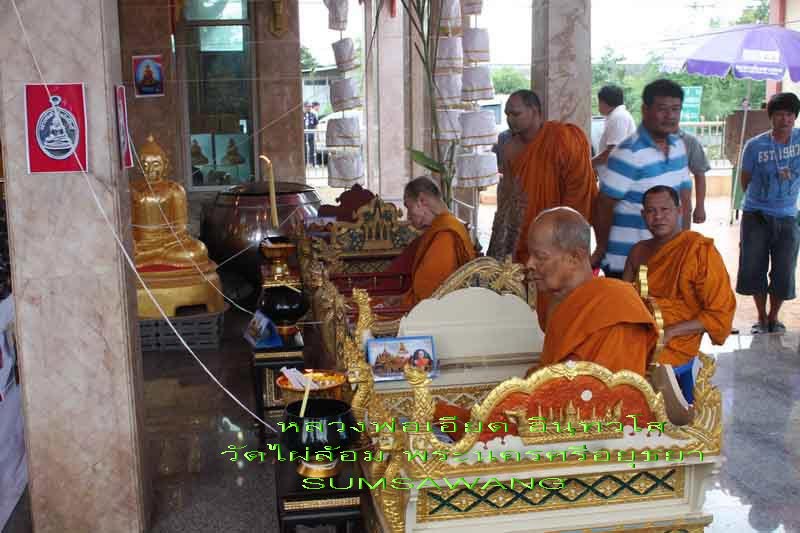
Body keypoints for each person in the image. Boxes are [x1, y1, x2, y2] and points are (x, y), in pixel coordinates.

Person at [622, 186, 735, 414]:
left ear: (679, 210)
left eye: (665, 209)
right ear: (643, 215)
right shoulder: (638, 251)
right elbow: (625, 300)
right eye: (651, 211)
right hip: (642, 330)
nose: (658, 217)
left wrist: (672, 331)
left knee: (646, 366)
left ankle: (663, 416)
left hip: (676, 339)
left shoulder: (698, 250)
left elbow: (719, 312)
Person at [526, 207, 658, 377]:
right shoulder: (558, 301)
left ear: (574, 257)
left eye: (540, 257)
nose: (529, 264)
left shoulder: (615, 307)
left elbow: (610, 387)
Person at [592, 79, 692, 278]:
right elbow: (603, 205)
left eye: (675, 109)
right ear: (645, 110)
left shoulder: (679, 147)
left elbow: (685, 199)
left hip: (666, 258)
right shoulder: (628, 152)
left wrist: (685, 244)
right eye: (662, 109)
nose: (670, 116)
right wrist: (601, 248)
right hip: (626, 261)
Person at [496, 89, 597, 263]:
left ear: (534, 111)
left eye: (516, 114)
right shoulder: (510, 148)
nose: (510, 119)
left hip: (560, 235)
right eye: (507, 114)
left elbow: (579, 189)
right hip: (524, 237)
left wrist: (563, 232)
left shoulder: (563, 139)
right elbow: (508, 197)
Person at [736, 91, 800, 334]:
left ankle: (774, 317)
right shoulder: (755, 146)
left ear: (795, 117)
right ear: (771, 117)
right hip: (756, 215)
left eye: (790, 115)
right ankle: (761, 317)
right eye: (780, 114)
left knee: (784, 270)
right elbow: (745, 180)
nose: (785, 119)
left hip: (788, 215)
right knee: (754, 267)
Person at [383, 177, 476, 308]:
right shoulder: (441, 226)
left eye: (408, 207)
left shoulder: (445, 235)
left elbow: (429, 295)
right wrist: (402, 298)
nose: (408, 216)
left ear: (422, 201)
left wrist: (403, 302)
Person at [592, 85, 636, 179]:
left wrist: (589, 164)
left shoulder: (618, 117)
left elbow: (612, 152)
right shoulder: (615, 116)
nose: (598, 106)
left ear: (604, 102)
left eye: (599, 102)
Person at [676, 129, 711, 224]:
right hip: (649, 210)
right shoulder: (641, 142)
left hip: (681, 209)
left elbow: (699, 174)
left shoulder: (689, 141)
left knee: (682, 233)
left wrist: (700, 207)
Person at [303, 102, 318, 167]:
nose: (309, 108)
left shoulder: (313, 115)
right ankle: (304, 163)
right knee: (304, 150)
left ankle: (314, 163)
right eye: (308, 106)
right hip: (303, 135)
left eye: (310, 106)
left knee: (313, 149)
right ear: (304, 107)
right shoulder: (301, 114)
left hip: (311, 135)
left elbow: (316, 124)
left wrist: (317, 134)